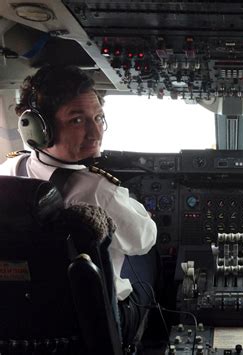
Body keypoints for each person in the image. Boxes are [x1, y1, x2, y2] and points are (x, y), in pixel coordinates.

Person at [0, 65, 157, 343]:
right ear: (39, 128)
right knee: (147, 259)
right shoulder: (97, 189)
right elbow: (144, 239)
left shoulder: (7, 172)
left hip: (17, 328)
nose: (95, 132)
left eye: (98, 117)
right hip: (97, 327)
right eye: (77, 120)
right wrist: (133, 205)